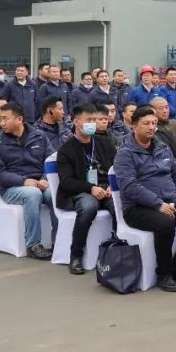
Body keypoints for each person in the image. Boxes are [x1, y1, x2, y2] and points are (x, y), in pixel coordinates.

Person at [113, 104, 176, 289]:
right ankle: (163, 274)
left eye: (154, 123)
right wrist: (157, 204)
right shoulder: (125, 153)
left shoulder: (162, 147)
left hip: (170, 202)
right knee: (165, 223)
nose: (151, 127)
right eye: (146, 123)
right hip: (138, 209)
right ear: (134, 126)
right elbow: (130, 186)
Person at [54, 104, 120, 274]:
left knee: (119, 206)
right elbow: (66, 181)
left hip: (106, 188)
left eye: (95, 120)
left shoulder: (104, 143)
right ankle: (76, 255)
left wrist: (114, 186)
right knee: (88, 207)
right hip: (79, 191)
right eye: (89, 120)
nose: (93, 123)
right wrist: (91, 188)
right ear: (76, 122)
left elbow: (118, 168)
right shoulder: (66, 150)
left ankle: (117, 249)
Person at [0, 102, 56, 259]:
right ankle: (33, 245)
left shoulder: (40, 136)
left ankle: (58, 241)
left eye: (5, 119)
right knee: (32, 194)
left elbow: (52, 160)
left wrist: (46, 179)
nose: (1, 123)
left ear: (19, 119)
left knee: (55, 195)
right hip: (12, 188)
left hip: (40, 183)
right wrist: (23, 181)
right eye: (0, 119)